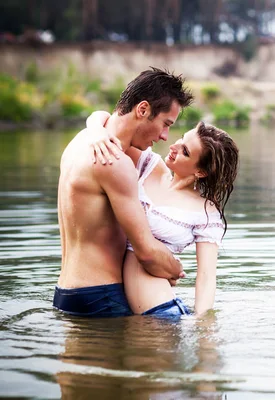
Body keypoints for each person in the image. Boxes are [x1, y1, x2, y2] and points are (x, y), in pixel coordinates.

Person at [54, 67, 194, 318]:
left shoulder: (82, 141)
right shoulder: (115, 163)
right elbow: (147, 253)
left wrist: (95, 123)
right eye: (165, 124)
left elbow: (101, 117)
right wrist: (176, 269)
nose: (164, 136)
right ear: (142, 110)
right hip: (102, 295)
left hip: (66, 293)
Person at [87, 112, 239, 317]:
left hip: (162, 312)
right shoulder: (147, 165)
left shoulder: (206, 213)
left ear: (201, 172)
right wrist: (96, 133)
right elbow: (105, 118)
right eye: (181, 139)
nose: (173, 147)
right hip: (118, 295)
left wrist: (204, 330)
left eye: (185, 151)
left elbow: (206, 276)